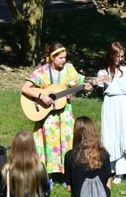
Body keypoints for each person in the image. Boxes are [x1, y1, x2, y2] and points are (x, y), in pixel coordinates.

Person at [22, 42, 93, 177]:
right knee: (48, 140)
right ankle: (46, 174)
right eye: (61, 58)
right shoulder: (41, 71)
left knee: (67, 140)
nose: (64, 60)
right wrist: (41, 96)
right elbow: (25, 88)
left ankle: (66, 173)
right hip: (47, 114)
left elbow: (80, 81)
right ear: (52, 57)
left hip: (65, 113)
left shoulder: (68, 69)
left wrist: (89, 84)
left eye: (65, 57)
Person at [97, 42, 126, 184]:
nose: (119, 59)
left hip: (123, 103)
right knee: (111, 136)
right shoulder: (104, 72)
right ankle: (116, 171)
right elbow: (102, 90)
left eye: (121, 56)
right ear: (111, 55)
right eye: (117, 56)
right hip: (110, 103)